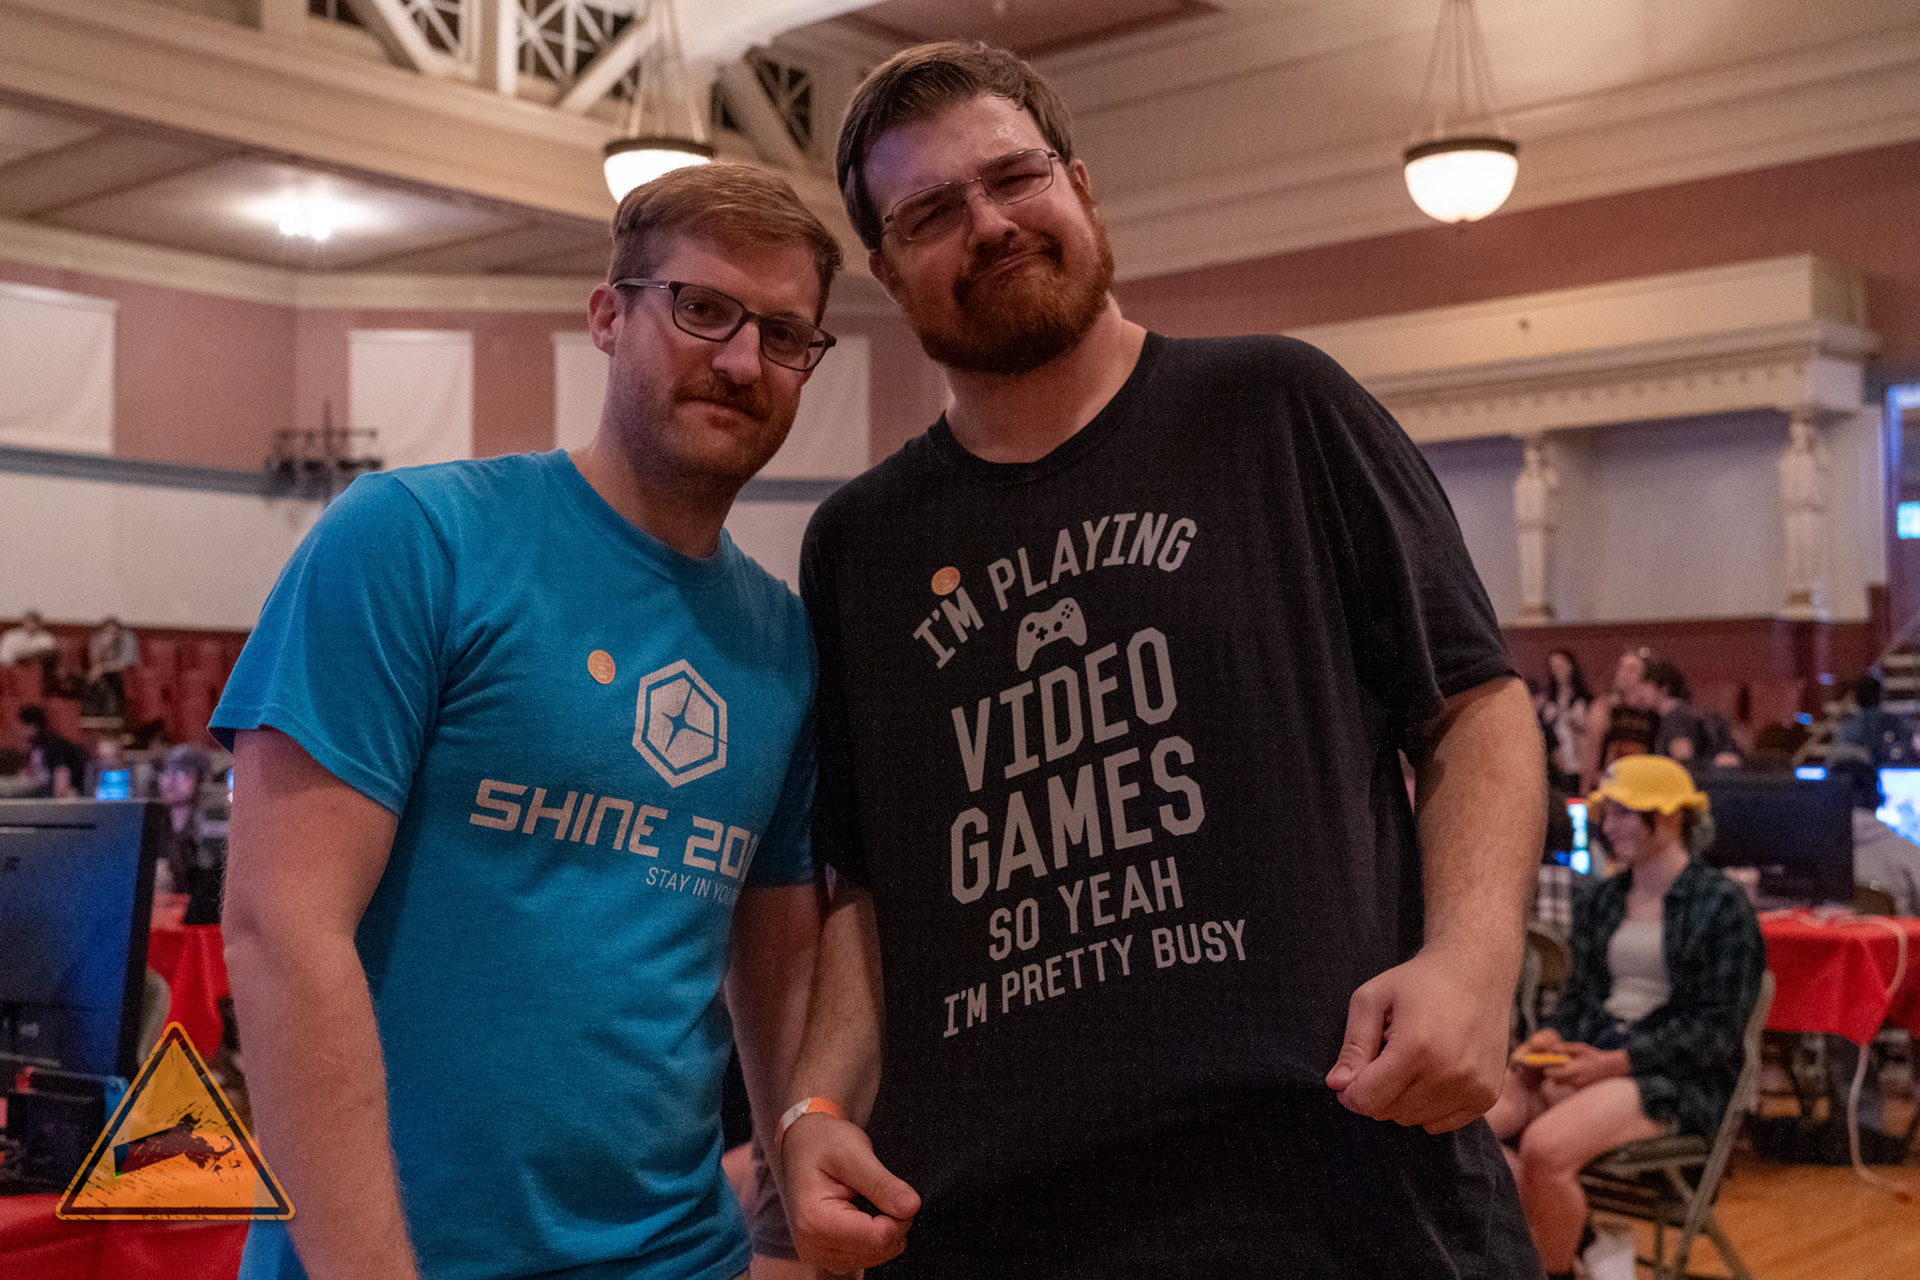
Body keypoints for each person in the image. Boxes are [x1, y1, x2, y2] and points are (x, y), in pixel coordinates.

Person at [781, 41, 1546, 1279]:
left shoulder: (1277, 406)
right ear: (886, 269)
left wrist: (1473, 957)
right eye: (931, 212)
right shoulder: (859, 545)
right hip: (992, 1223)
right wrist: (815, 1106)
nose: (989, 223)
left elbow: (1471, 702)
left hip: (1339, 1186)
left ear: (1080, 186)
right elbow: (870, 885)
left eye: (1014, 177)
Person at [211, 163, 842, 1280]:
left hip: (686, 1256)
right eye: (702, 307)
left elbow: (777, 969)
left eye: (785, 334)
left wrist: (793, 1217)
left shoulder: (782, 641)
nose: (743, 360)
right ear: (607, 316)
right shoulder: (413, 539)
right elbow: (279, 928)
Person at [1490, 755, 1764, 1280]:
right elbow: (1579, 999)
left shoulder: (1721, 904)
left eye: (1622, 813)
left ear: (1668, 816)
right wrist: (1549, 1038)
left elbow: (1716, 1033)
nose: (1607, 826)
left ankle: (1559, 1264)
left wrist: (1615, 1062)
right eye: (1607, 813)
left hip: (1675, 1078)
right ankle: (1576, 1241)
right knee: (1471, 1125)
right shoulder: (1604, 898)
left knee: (1544, 1148)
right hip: (1595, 1057)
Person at [1834, 673, 1917, 770]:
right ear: (1881, 696)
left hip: (1878, 772)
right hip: (1884, 772)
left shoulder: (1848, 727)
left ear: (1856, 698)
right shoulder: (1898, 723)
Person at [1537, 648, 1590, 792]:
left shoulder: (1584, 699)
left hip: (1580, 761)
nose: (1557, 670)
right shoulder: (1549, 701)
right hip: (1558, 763)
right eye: (1553, 666)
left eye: (1561, 665)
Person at [16, 704, 87, 799]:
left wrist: (59, 801)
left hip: (67, 795)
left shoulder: (52, 744)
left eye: (22, 726)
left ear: (32, 726)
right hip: (44, 792)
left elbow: (61, 774)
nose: (19, 731)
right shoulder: (35, 747)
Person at [83, 615, 138, 720]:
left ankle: (109, 709)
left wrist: (103, 667)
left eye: (113, 630)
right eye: (107, 630)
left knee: (103, 676)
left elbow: (124, 663)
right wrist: (103, 646)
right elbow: (93, 660)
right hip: (101, 671)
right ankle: (100, 710)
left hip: (120, 671)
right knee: (96, 678)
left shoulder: (125, 639)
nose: (110, 632)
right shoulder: (97, 639)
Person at [0, 610, 59, 686]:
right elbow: (4, 657)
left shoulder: (46, 638)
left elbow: (48, 656)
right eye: (29, 621)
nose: (32, 624)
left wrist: (27, 655)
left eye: (35, 621)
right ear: (23, 621)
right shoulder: (11, 636)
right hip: (12, 670)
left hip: (38, 671)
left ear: (40, 623)